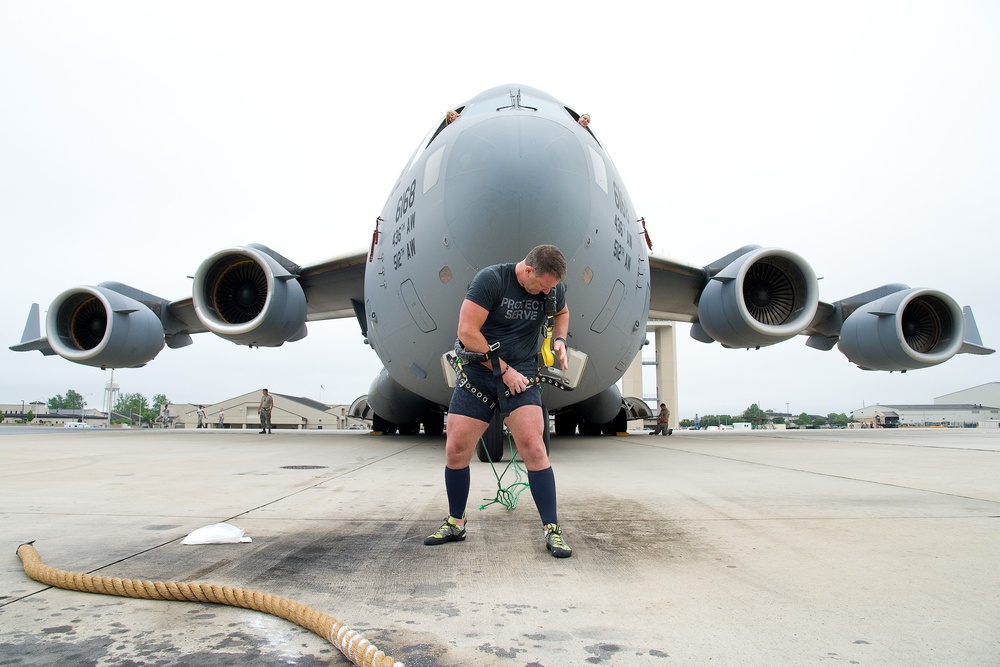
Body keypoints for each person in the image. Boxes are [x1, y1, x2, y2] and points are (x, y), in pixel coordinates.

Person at [424, 244, 574, 558]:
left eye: (552, 287)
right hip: (480, 372)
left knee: (533, 447)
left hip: (523, 373)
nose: (547, 291)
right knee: (456, 449)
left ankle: (552, 529)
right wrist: (504, 372)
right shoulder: (491, 280)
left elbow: (561, 312)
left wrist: (559, 340)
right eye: (543, 285)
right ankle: (455, 522)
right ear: (528, 270)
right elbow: (467, 332)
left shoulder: (550, 289)